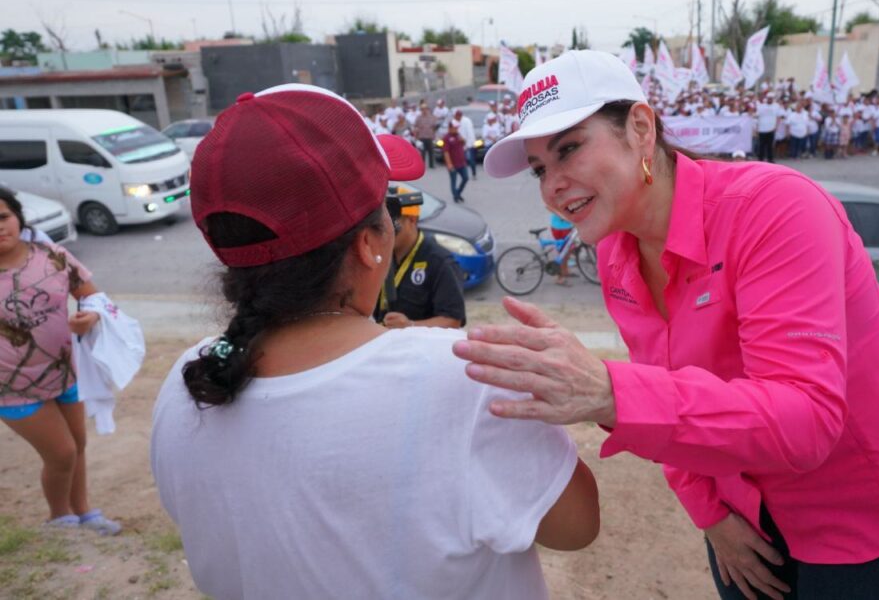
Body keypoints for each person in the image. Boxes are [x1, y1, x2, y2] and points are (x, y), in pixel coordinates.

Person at [462, 50, 879, 600]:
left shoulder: (773, 209)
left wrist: (610, 392)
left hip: (867, 520)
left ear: (640, 127)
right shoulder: (615, 252)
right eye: (540, 169)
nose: (553, 185)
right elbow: (667, 382)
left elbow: (806, 420)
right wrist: (708, 510)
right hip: (742, 518)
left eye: (569, 149)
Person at [150, 84, 599, 600]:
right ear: (368, 245)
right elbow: (578, 526)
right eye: (387, 204)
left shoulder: (189, 381)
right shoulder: (463, 380)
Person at [0, 187, 121, 535]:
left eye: (3, 216)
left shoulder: (51, 255)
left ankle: (84, 513)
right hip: (12, 386)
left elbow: (92, 297)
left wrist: (91, 317)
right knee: (62, 453)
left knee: (78, 446)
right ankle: (59, 519)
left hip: (65, 370)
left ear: (18, 217)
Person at [374, 186, 466, 329]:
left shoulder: (440, 262)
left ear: (412, 220)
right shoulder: (382, 254)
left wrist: (410, 325)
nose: (387, 235)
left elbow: (453, 320)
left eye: (394, 227)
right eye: (382, 227)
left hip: (421, 347)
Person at [443, 120, 469, 204]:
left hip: (462, 162)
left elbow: (464, 143)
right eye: (455, 128)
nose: (457, 129)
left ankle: (458, 193)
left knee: (465, 178)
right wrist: (449, 164)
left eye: (457, 128)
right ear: (450, 128)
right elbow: (446, 152)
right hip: (453, 164)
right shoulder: (447, 138)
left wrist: (463, 140)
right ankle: (456, 196)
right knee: (453, 181)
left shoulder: (458, 135)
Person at [452, 109, 478, 179]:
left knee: (471, 160)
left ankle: (474, 174)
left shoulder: (467, 121)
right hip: (459, 145)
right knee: (461, 161)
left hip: (469, 144)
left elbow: (470, 134)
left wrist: (468, 145)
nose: (457, 118)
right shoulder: (453, 122)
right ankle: (462, 174)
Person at [754, 93, 780, 163]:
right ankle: (760, 159)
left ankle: (770, 159)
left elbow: (778, 117)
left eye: (771, 98)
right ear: (767, 98)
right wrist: (756, 128)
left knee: (770, 145)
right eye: (769, 98)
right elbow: (757, 116)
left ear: (773, 99)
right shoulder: (761, 106)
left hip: (771, 129)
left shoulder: (776, 106)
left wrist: (776, 126)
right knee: (761, 145)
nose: (770, 99)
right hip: (762, 129)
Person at [412, 101, 438, 169]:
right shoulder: (418, 118)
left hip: (430, 137)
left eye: (425, 108)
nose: (424, 110)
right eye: (422, 109)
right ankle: (422, 166)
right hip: (422, 137)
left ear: (427, 109)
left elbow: (434, 127)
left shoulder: (432, 117)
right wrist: (416, 136)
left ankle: (431, 165)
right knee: (422, 153)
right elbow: (415, 126)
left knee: (431, 151)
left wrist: (434, 134)